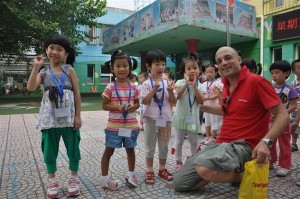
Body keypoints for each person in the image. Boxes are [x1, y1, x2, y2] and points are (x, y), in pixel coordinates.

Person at [173, 46, 289, 192]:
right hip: (220, 143)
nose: (224, 63)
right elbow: (226, 110)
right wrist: (199, 107)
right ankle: (226, 172)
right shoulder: (226, 85)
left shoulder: (257, 82)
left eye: (228, 58)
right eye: (219, 61)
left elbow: (283, 114)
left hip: (244, 146)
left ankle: (248, 173)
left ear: (239, 60)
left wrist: (266, 142)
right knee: (180, 183)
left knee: (203, 167)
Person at [27, 34, 82, 198]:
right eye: (52, 48)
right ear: (46, 50)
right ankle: (52, 181)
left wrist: (78, 116)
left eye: (60, 49)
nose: (55, 52)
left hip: (69, 120)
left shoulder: (69, 70)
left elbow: (77, 94)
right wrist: (36, 67)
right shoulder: (43, 73)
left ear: (65, 54)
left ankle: (73, 179)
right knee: (49, 151)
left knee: (73, 149)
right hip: (49, 121)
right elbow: (30, 87)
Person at [101, 50, 140, 190]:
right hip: (114, 128)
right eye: (118, 66)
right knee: (108, 151)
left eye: (125, 65)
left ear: (130, 67)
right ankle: (105, 180)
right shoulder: (110, 87)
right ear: (112, 68)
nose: (122, 69)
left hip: (130, 126)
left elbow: (137, 103)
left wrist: (132, 106)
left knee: (131, 150)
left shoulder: (134, 87)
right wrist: (118, 107)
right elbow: (104, 105)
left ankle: (131, 175)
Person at [141, 49, 177, 184]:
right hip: (151, 119)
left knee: (164, 145)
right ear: (149, 66)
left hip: (165, 119)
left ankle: (162, 169)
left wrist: (171, 91)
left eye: (163, 64)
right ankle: (149, 170)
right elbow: (144, 101)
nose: (161, 67)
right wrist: (154, 89)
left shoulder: (168, 82)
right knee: (150, 145)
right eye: (157, 64)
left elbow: (173, 101)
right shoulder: (146, 84)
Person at [172, 54, 205, 171]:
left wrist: (195, 86)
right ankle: (178, 161)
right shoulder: (179, 83)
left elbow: (201, 101)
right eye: (189, 68)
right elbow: (177, 97)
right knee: (179, 140)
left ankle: (193, 161)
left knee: (193, 141)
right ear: (184, 71)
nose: (192, 71)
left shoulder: (201, 86)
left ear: (199, 70)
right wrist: (186, 84)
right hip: (180, 117)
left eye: (195, 68)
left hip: (193, 118)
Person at [269, 60, 297, 176]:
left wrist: (283, 113)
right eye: (272, 73)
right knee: (269, 141)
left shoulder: (290, 89)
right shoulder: (271, 88)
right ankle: (270, 161)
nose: (274, 76)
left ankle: (285, 165)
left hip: (284, 122)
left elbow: (294, 105)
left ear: (286, 73)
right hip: (270, 121)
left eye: (277, 72)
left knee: (284, 143)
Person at [201, 64, 222, 144]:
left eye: (211, 72)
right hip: (206, 105)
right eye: (207, 72)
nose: (209, 74)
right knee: (207, 121)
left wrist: (207, 98)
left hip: (214, 106)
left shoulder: (217, 83)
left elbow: (217, 95)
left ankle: (213, 137)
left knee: (214, 121)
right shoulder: (204, 84)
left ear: (215, 73)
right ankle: (208, 136)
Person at [290, 59, 300, 153]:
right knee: (294, 127)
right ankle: (294, 143)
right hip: (295, 109)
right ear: (293, 71)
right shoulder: (293, 84)